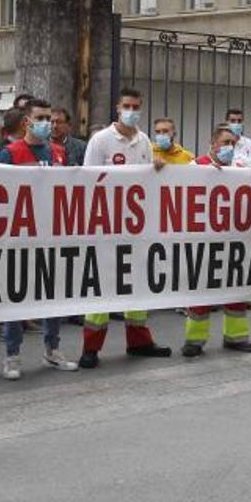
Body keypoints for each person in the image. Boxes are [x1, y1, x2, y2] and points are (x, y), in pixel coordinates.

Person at [78, 88, 172, 368]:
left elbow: (146, 181)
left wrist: (156, 169)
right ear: (118, 108)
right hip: (106, 226)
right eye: (127, 106)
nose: (132, 110)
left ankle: (139, 341)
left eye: (136, 106)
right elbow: (87, 180)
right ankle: (90, 348)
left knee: (137, 285)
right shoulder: (101, 140)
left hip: (136, 226)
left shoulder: (144, 141)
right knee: (103, 287)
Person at [0, 99, 80, 378]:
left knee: (53, 296)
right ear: (26, 121)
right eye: (40, 118)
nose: (47, 124)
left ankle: (52, 350)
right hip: (20, 237)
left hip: (52, 235)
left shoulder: (59, 152)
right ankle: (12, 356)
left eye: (49, 118)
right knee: (16, 297)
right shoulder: (9, 153)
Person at [180, 127, 251, 358]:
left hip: (234, 240)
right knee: (200, 294)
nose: (229, 148)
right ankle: (194, 341)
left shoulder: (239, 168)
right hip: (204, 242)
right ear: (212, 143)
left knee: (235, 292)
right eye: (225, 142)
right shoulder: (196, 166)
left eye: (233, 143)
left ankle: (235, 338)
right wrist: (205, 175)